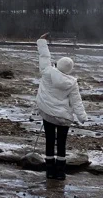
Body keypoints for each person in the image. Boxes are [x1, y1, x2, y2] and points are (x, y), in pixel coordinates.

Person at [36, 34, 87, 180]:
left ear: (58, 64)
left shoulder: (47, 72)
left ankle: (50, 171)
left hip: (48, 113)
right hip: (63, 117)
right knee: (62, 143)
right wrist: (82, 117)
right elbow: (76, 101)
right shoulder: (72, 83)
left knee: (49, 140)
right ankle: (60, 172)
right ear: (69, 69)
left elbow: (44, 57)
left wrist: (42, 41)